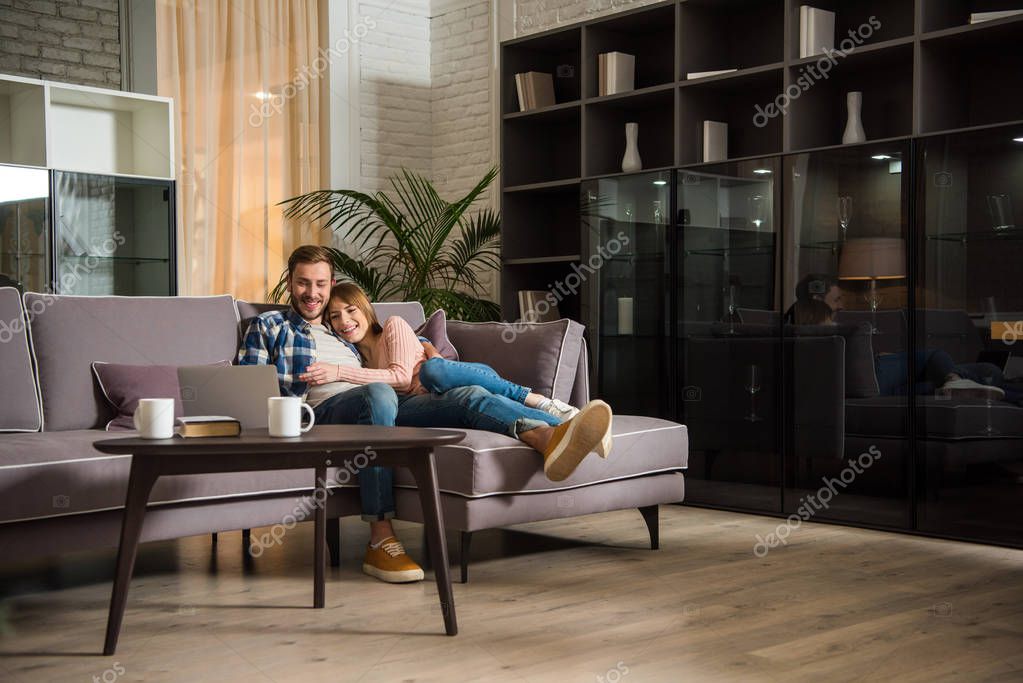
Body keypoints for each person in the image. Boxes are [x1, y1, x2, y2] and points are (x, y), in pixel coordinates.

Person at [239, 245, 430, 584]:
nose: (312, 293)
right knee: (379, 393)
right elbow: (248, 393)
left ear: (332, 284)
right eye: (303, 283)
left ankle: (537, 425)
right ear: (289, 282)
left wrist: (429, 354)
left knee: (457, 400)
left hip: (375, 409)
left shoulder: (345, 330)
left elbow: (391, 354)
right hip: (318, 417)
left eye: (320, 284)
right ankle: (381, 536)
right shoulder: (269, 326)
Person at [299, 282, 615, 482]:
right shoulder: (351, 355)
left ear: (366, 309)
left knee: (463, 390)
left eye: (350, 311)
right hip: (405, 409)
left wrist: (340, 372)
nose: (344, 322)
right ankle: (560, 431)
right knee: (467, 394)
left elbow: (398, 376)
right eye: (335, 317)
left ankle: (551, 429)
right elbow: (385, 389)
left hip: (442, 382)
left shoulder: (394, 327)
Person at [791, 299, 1009, 401]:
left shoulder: (796, 345)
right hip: (872, 376)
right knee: (935, 354)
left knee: (989, 372)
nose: (837, 319)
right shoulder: (818, 337)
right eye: (831, 318)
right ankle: (954, 379)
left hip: (883, 387)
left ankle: (954, 388)